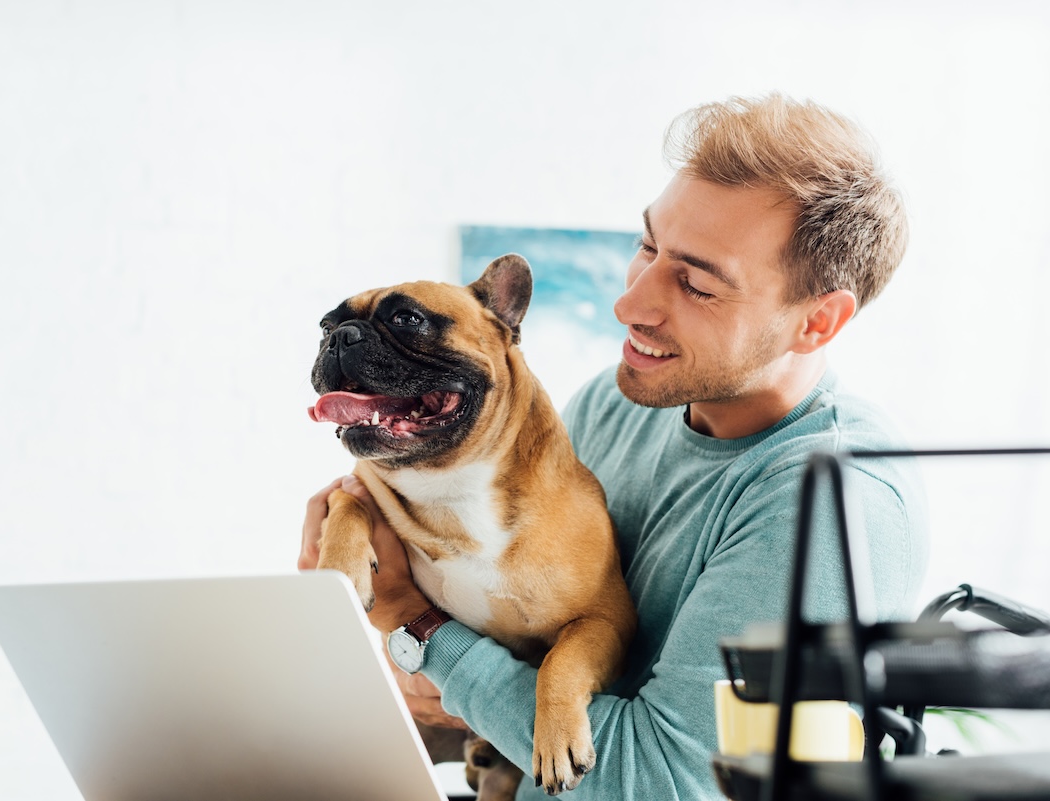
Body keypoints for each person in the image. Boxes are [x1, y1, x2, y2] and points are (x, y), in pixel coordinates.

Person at [299, 93, 930, 800]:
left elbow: (668, 785)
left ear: (817, 322)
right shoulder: (614, 402)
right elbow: (493, 700)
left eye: (694, 282)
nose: (630, 303)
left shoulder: (830, 501)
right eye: (648, 246)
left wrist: (415, 621)